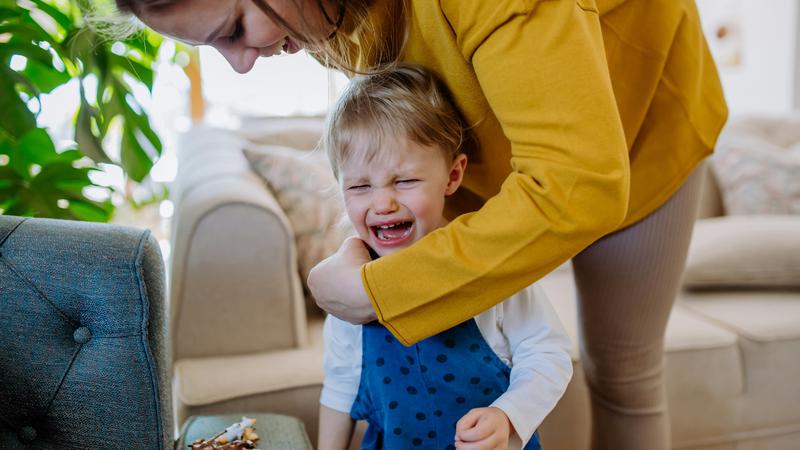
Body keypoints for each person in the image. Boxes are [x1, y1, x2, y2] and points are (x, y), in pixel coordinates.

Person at [115, 0, 728, 448]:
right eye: (213, 46)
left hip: (636, 131)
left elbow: (578, 184)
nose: (240, 64)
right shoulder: (331, 18)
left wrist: (381, 289)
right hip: (501, 156)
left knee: (625, 371)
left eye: (235, 28)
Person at [317, 63, 572, 450]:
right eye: (359, 186)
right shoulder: (351, 287)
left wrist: (508, 415)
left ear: (452, 176)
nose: (383, 203)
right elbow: (340, 385)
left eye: (404, 181)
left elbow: (547, 353)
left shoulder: (486, 260)